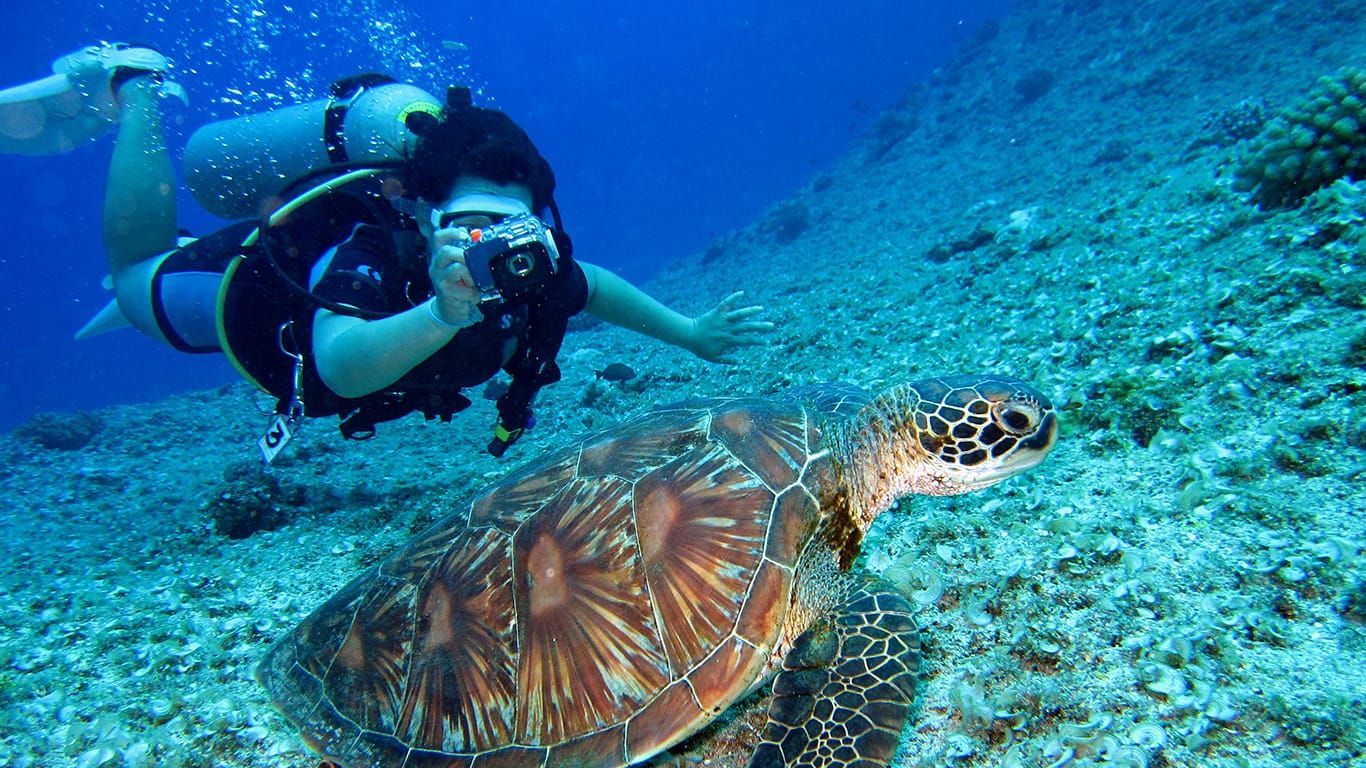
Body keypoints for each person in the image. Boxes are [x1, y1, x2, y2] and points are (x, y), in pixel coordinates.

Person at [6, 44, 772, 458]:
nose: (492, 247)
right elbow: (339, 363)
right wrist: (441, 314)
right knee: (134, 280)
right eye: (469, 225)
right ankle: (134, 87)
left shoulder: (524, 267)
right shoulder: (373, 247)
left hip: (352, 304)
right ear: (416, 208)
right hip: (246, 301)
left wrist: (692, 334)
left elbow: (593, 284)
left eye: (514, 227)